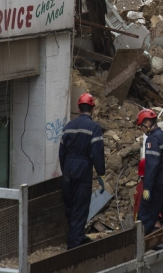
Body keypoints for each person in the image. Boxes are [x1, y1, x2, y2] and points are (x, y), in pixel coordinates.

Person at [59, 93, 105, 250]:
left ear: (79, 108)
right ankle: (74, 246)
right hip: (83, 167)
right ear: (92, 108)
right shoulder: (94, 128)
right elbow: (96, 153)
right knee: (80, 206)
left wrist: (65, 170)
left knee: (70, 206)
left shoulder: (67, 127)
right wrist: (101, 173)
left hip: (68, 168)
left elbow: (61, 153)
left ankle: (77, 236)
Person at [136, 109, 163, 235]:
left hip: (158, 180)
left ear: (147, 122)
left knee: (146, 215)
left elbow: (152, 165)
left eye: (141, 126)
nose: (142, 129)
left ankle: (139, 247)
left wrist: (147, 187)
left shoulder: (152, 139)